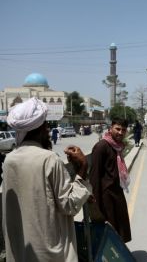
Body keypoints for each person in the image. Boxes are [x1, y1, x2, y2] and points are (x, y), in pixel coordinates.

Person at [2, 97, 91, 262]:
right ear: (42, 127)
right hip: (50, 255)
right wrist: (83, 167)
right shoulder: (49, 159)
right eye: (46, 126)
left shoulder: (9, 160)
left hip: (20, 254)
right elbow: (69, 205)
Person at [89, 118, 132, 243]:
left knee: (120, 227)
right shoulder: (102, 146)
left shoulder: (118, 147)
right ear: (111, 128)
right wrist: (95, 203)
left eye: (123, 130)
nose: (120, 132)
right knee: (110, 230)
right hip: (105, 195)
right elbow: (94, 175)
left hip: (116, 192)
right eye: (117, 129)